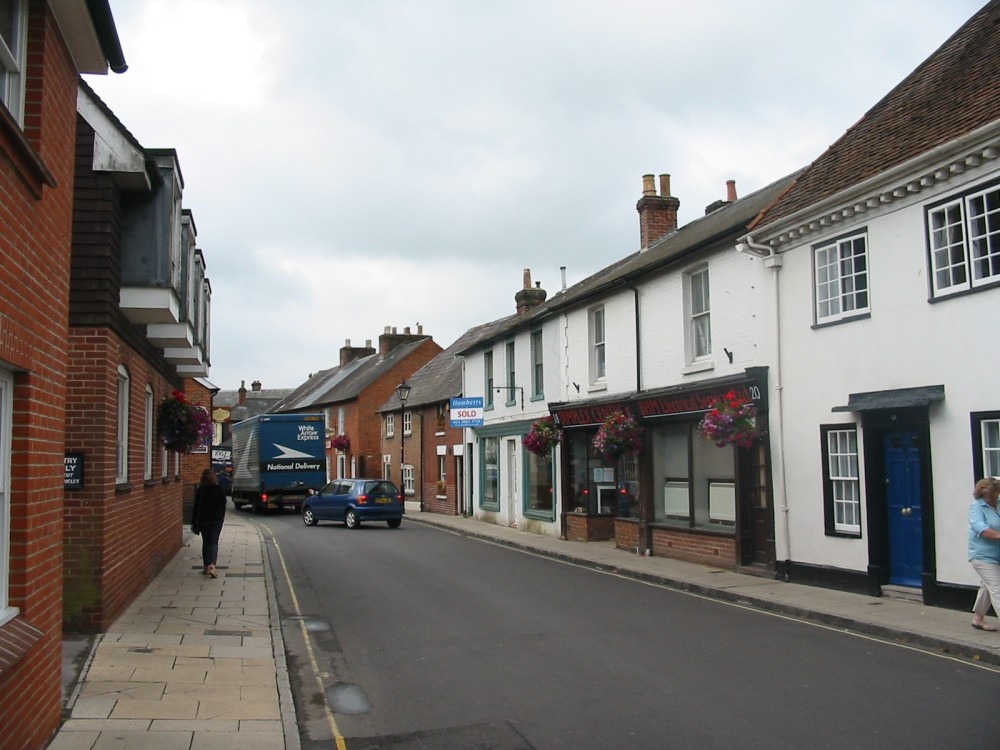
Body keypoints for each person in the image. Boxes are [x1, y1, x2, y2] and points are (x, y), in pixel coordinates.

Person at [968, 477, 1000, 631]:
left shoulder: (998, 505)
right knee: (997, 587)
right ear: (983, 493)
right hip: (982, 556)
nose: (995, 496)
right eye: (992, 493)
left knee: (987, 587)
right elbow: (980, 528)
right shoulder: (977, 507)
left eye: (997, 493)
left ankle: (978, 619)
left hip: (997, 555)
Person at [192, 468, 228, 578]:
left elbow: (196, 507)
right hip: (216, 520)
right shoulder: (219, 489)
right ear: (213, 477)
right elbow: (223, 504)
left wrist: (194, 521)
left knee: (206, 542)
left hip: (204, 521)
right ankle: (212, 566)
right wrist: (221, 517)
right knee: (213, 542)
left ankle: (206, 566)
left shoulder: (201, 490)